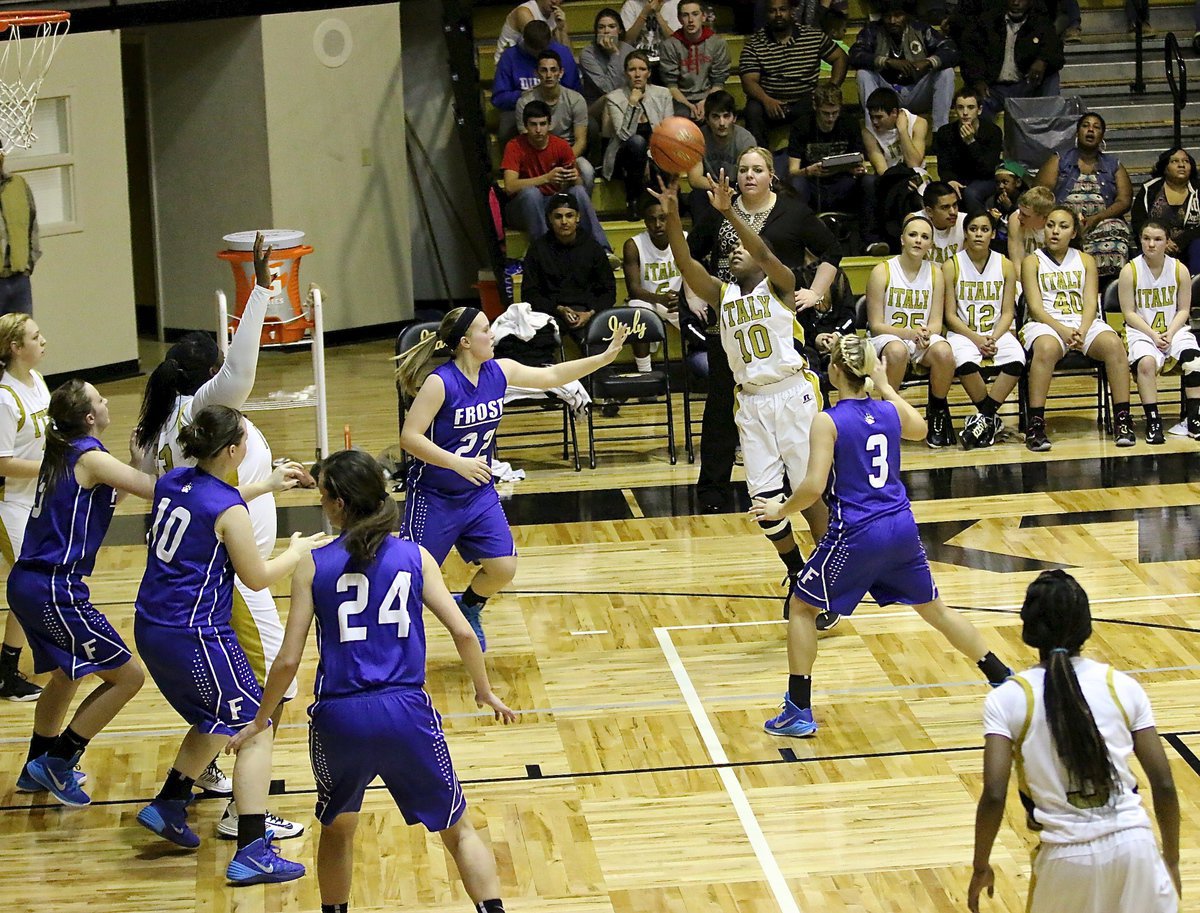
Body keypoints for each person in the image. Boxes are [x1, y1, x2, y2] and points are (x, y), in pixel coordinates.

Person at [226, 450, 518, 913]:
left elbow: (286, 661)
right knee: (457, 828)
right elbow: (463, 631)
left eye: (322, 496)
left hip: (340, 717)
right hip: (407, 710)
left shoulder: (312, 564)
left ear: (338, 504)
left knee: (338, 829)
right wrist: (483, 690)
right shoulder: (416, 556)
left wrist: (261, 720)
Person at [749, 334, 1013, 737]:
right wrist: (886, 385)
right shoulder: (888, 411)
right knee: (935, 610)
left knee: (802, 607)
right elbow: (921, 429)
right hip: (901, 527)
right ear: (869, 370)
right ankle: (1002, 677)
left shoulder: (828, 420)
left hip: (857, 531)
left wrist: (779, 509)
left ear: (834, 372)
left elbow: (814, 486)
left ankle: (798, 709)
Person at [133, 232, 307, 838]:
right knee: (270, 694)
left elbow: (213, 496)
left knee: (229, 700)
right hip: (229, 580)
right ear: (207, 379)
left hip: (178, 589)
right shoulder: (205, 408)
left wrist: (265, 484)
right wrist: (261, 290)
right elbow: (241, 367)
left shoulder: (160, 432)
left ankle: (199, 782)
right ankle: (245, 816)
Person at [134, 406, 326, 883]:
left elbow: (211, 505)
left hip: (151, 625)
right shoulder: (228, 510)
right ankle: (252, 850)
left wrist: (266, 485)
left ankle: (170, 803)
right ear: (233, 450)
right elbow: (257, 578)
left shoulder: (173, 481)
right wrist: (296, 552)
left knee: (218, 715)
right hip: (194, 633)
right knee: (256, 724)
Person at [655, 174, 834, 626]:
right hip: (751, 403)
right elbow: (684, 263)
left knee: (809, 492)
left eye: (741, 246)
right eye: (730, 245)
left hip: (793, 395)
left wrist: (729, 212)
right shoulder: (722, 294)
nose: (734, 249)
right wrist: (675, 215)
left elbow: (768, 254)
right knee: (763, 503)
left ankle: (829, 580)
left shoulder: (781, 284)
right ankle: (798, 571)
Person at [395, 308, 631, 651]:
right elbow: (410, 438)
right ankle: (396, 648)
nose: (492, 335)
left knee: (504, 568)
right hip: (435, 495)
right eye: (485, 330)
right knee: (413, 579)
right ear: (464, 342)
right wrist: (456, 464)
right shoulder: (440, 383)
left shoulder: (500, 370)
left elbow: (551, 377)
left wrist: (603, 358)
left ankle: (470, 606)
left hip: (477, 494)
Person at [968, 570, 1180, 913]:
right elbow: (1165, 784)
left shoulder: (1009, 699)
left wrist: (980, 866)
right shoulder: (1121, 686)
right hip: (1135, 847)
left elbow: (994, 793)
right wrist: (1169, 860)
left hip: (1066, 860)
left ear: (1028, 628)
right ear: (1086, 624)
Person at [9, 380, 155, 807]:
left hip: (29, 583)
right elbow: (156, 490)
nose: (108, 402)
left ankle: (36, 765)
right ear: (90, 418)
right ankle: (59, 760)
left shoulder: (68, 454)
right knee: (129, 677)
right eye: (101, 399)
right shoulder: (90, 457)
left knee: (65, 675)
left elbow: (114, 492)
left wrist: (132, 462)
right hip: (55, 587)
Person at [684, 146, 843, 514]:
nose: (749, 176)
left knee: (800, 402)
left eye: (757, 169)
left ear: (771, 175)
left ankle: (815, 480)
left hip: (777, 319)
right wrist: (693, 294)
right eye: (743, 169)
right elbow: (690, 255)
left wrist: (816, 291)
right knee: (722, 404)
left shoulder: (792, 211)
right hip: (732, 320)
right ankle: (713, 490)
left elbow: (832, 251)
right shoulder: (719, 210)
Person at [1020, 206, 1134, 451]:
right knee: (1046, 348)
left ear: (1073, 233)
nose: (1055, 231)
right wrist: (1062, 330)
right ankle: (1036, 424)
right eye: (1050, 225)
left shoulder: (1085, 260)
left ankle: (1123, 418)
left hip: (1082, 322)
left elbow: (1091, 301)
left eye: (1063, 226)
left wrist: (1082, 330)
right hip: (1046, 324)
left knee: (1114, 344)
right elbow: (1036, 307)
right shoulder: (1032, 261)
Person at [866, 213, 957, 447]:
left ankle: (937, 411)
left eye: (925, 237)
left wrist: (926, 335)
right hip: (887, 339)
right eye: (913, 235)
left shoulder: (936, 273)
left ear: (931, 244)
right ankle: (890, 411)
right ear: (902, 239)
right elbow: (876, 326)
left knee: (945, 352)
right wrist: (910, 334)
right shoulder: (882, 271)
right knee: (897, 351)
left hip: (919, 339)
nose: (918, 240)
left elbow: (937, 322)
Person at [943, 211, 1024, 449]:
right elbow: (949, 315)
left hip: (997, 331)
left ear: (992, 234)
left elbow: (1008, 311)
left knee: (1017, 360)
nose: (979, 234)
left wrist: (993, 337)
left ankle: (983, 419)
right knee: (964, 363)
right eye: (973, 229)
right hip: (963, 333)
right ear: (965, 233)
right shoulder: (951, 265)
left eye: (985, 229)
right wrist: (977, 339)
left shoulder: (1005, 264)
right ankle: (990, 420)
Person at [1117, 220, 1199, 443]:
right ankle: (1153, 420)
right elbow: (1129, 313)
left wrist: (1170, 333)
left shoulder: (1179, 269)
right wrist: (1153, 335)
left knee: (1195, 360)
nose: (1151, 244)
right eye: (1146, 239)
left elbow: (1183, 309)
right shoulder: (1129, 270)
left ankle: (1194, 418)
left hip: (1173, 328)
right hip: (1141, 331)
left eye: (1157, 239)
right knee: (1146, 363)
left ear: (1167, 242)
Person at [0, 314, 47, 701]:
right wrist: (56, 467)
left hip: (37, 500)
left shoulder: (38, 383)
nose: (43, 341)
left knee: (27, 586)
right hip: (10, 504)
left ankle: (8, 667)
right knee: (26, 587)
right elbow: (2, 463)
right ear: (15, 347)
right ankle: (7, 672)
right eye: (35, 337)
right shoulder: (4, 396)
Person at [786, 81, 882, 253]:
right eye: (825, 113)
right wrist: (809, 170)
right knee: (797, 184)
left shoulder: (849, 124)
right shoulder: (802, 126)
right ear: (816, 107)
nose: (830, 118)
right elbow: (793, 171)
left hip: (843, 184)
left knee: (868, 181)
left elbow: (858, 160)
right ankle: (800, 243)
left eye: (834, 113)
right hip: (813, 186)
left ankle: (871, 241)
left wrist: (856, 169)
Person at [1037, 113, 1133, 281]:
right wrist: (1070, 219)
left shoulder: (1113, 165)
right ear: (1077, 132)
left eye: (1096, 127)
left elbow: (1124, 201)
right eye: (1085, 126)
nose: (1090, 130)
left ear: (1102, 135)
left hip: (1101, 222)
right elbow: (1040, 193)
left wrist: (1096, 218)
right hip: (1064, 220)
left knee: (1116, 228)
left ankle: (1106, 288)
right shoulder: (1059, 159)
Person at [738, 0, 848, 147]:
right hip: (770, 103)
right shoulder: (754, 44)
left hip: (805, 101)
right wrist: (766, 100)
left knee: (830, 104)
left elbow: (840, 57)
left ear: (792, 11)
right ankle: (761, 158)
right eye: (772, 11)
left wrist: (832, 87)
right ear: (766, 14)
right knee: (753, 109)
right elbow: (749, 81)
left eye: (782, 10)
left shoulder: (812, 36)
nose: (778, 15)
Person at [502, 101, 609, 248]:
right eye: (533, 124)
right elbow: (510, 186)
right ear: (526, 126)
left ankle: (602, 248)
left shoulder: (561, 145)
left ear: (550, 124)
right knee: (531, 194)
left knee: (578, 190)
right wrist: (546, 178)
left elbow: (577, 184)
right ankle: (546, 252)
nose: (538, 130)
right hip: (522, 208)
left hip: (553, 204)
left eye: (542, 124)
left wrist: (573, 178)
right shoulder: (514, 146)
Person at [521, 192, 617, 344]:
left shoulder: (592, 247)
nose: (564, 221)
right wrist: (558, 309)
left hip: (586, 310)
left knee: (597, 349)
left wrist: (590, 313)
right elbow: (529, 294)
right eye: (558, 217)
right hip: (550, 312)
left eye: (569, 215)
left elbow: (609, 291)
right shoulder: (537, 249)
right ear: (550, 219)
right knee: (536, 339)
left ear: (578, 217)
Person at [850, 0, 959, 130]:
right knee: (863, 74)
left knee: (946, 73)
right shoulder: (872, 31)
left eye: (897, 15)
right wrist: (887, 62)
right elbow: (855, 54)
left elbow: (951, 50)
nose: (892, 21)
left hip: (918, 92)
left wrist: (928, 62)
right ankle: (874, 132)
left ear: (906, 15)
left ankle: (940, 132)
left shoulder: (920, 28)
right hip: (888, 95)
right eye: (888, 16)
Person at [962, 0, 1064, 118]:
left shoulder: (1040, 22)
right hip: (994, 89)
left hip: (1026, 86)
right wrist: (977, 80)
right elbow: (970, 51)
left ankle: (1050, 128)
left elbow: (1056, 51)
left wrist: (1043, 60)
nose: (1016, 2)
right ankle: (983, 135)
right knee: (976, 101)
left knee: (1052, 77)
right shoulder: (988, 21)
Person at [602, 50, 672, 219]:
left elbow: (668, 132)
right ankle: (632, 201)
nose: (637, 74)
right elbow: (624, 135)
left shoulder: (663, 94)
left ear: (649, 72)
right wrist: (632, 103)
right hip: (624, 156)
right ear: (626, 73)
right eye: (632, 69)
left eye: (642, 69)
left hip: (655, 154)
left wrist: (648, 158)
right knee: (636, 142)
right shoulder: (614, 98)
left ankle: (662, 204)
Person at [515, 50, 595, 192]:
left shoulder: (576, 99)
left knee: (587, 171)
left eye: (553, 70)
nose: (549, 75)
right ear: (536, 73)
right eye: (544, 70)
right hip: (537, 154)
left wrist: (564, 162)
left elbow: (580, 140)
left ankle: (579, 210)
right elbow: (527, 137)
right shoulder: (525, 102)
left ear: (561, 73)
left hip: (569, 152)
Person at [492, 21, 581, 146]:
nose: (539, 54)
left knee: (590, 126)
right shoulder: (510, 56)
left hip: (559, 104)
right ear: (525, 42)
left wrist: (551, 93)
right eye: (535, 50)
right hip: (523, 107)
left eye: (543, 49)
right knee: (505, 130)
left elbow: (575, 90)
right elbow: (498, 98)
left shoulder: (563, 53)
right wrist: (527, 95)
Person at [624, 194, 685, 372]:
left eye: (662, 219)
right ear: (644, 222)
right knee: (635, 308)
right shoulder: (633, 245)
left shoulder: (684, 239)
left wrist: (682, 299)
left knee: (704, 308)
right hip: (649, 301)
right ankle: (644, 373)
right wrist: (659, 299)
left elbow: (696, 278)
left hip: (678, 302)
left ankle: (704, 359)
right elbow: (634, 289)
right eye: (651, 220)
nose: (657, 225)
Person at [685, 90, 756, 223]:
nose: (722, 123)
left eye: (726, 116)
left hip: (737, 188)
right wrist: (720, 189)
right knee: (696, 197)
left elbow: (750, 177)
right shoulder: (697, 138)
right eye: (716, 117)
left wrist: (731, 192)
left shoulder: (746, 140)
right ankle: (703, 243)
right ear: (707, 119)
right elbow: (694, 180)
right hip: (711, 188)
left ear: (734, 118)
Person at [1131, 147, 1200, 275]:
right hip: (1155, 243)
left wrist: (1180, 242)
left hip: (1190, 245)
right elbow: (1138, 221)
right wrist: (1161, 241)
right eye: (1175, 161)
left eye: (1186, 161)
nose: (1181, 165)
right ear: (1165, 167)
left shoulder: (1197, 189)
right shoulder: (1150, 189)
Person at [932, 88, 1003, 212]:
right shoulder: (945, 132)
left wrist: (971, 143)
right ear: (955, 109)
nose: (965, 112)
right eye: (960, 107)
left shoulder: (993, 131)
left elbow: (987, 169)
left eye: (970, 107)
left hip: (985, 180)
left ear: (979, 110)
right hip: (957, 179)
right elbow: (943, 166)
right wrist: (950, 180)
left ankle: (979, 226)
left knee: (971, 192)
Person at [659, 0, 730, 120]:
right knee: (681, 115)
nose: (690, 20)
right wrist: (689, 105)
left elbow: (718, 82)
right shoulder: (670, 45)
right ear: (680, 19)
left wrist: (704, 103)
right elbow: (671, 85)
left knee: (721, 111)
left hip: (710, 95)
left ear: (703, 17)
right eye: (685, 15)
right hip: (680, 98)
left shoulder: (717, 43)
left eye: (695, 14)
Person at [0, 149, 39, 316]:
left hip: (19, 279)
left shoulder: (18, 184)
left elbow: (33, 224)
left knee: (23, 337)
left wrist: (29, 263)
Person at [579, 9, 633, 125]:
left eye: (612, 26)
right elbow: (608, 88)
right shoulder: (588, 54)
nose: (606, 31)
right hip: (598, 106)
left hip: (628, 100)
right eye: (601, 27)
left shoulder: (629, 50)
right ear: (596, 31)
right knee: (611, 97)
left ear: (619, 30)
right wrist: (614, 54)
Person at [862, 87, 927, 176]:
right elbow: (882, 171)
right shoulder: (868, 133)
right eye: (872, 117)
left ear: (894, 112)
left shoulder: (918, 123)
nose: (874, 122)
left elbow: (915, 164)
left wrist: (902, 131)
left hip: (917, 175)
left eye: (879, 117)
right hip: (890, 179)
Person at [493, 0, 568, 62]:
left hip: (532, 62)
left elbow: (567, 55)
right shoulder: (524, 12)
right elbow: (539, 44)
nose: (554, 1)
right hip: (509, 65)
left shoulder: (555, 15)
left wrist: (562, 29)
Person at [915, 181, 967, 265]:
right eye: (945, 207)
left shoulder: (966, 222)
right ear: (929, 211)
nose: (953, 212)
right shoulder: (916, 222)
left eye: (955, 205)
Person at [986, 160, 1028, 254]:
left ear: (1017, 182)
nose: (1000, 186)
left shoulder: (1026, 200)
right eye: (997, 183)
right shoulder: (992, 200)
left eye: (1005, 182)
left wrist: (1010, 208)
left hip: (1020, 241)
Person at [1007, 185, 1054, 264]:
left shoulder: (1056, 226)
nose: (1019, 217)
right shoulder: (1015, 219)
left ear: (1044, 217)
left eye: (1025, 215)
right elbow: (1017, 262)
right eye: (1020, 211)